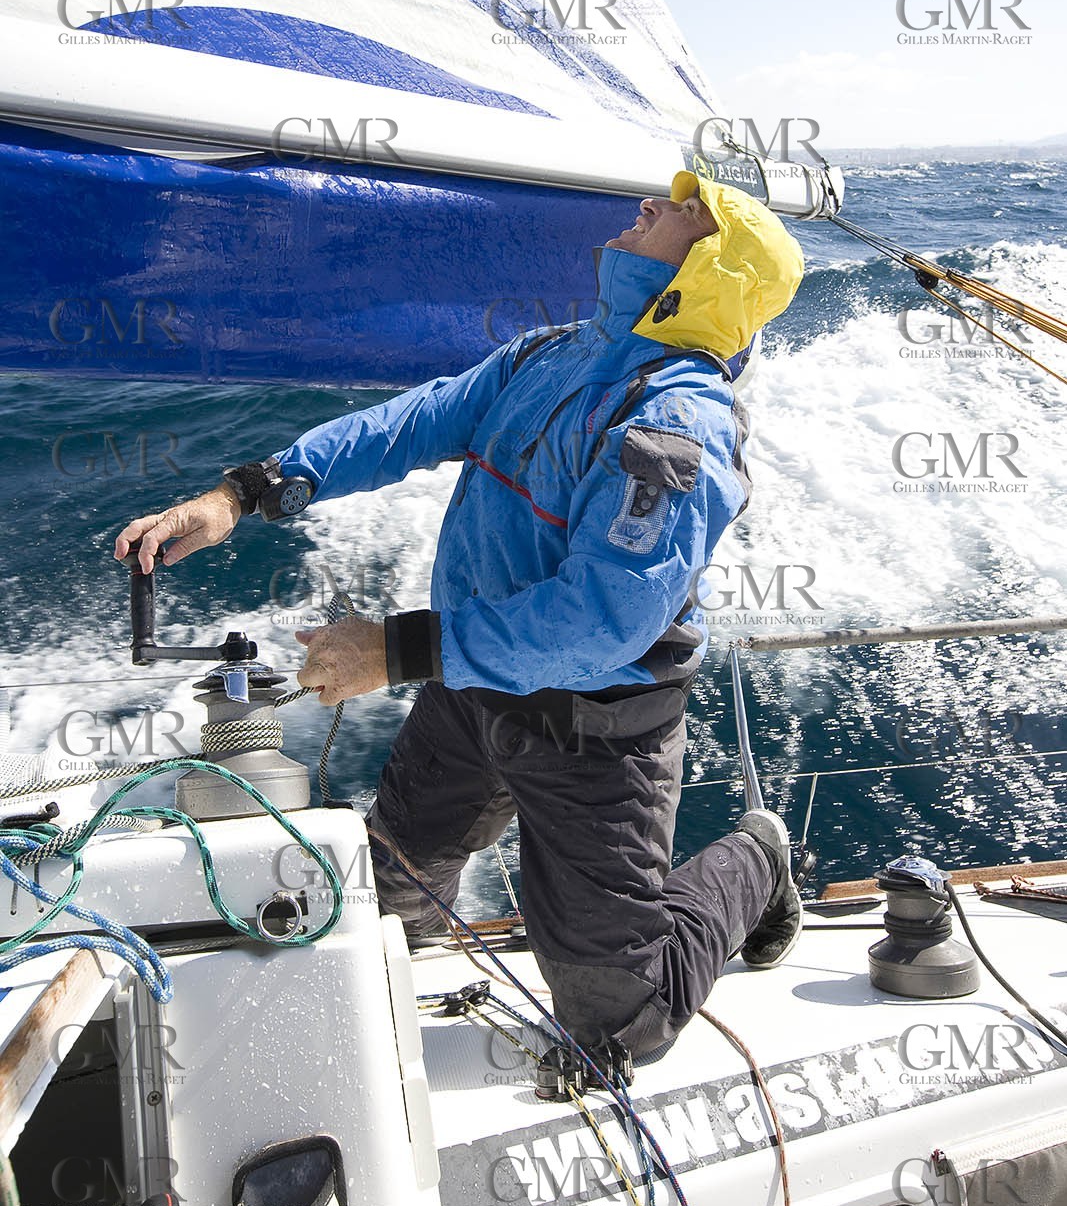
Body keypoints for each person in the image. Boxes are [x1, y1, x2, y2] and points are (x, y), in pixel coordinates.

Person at [115, 170, 806, 1062]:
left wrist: (394, 650)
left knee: (620, 1022)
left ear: (711, 267)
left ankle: (757, 860)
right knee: (391, 902)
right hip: (469, 686)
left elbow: (602, 622)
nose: (648, 204)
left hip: (591, 726)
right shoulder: (550, 353)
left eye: (683, 210)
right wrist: (246, 493)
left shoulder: (678, 421)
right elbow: (414, 421)